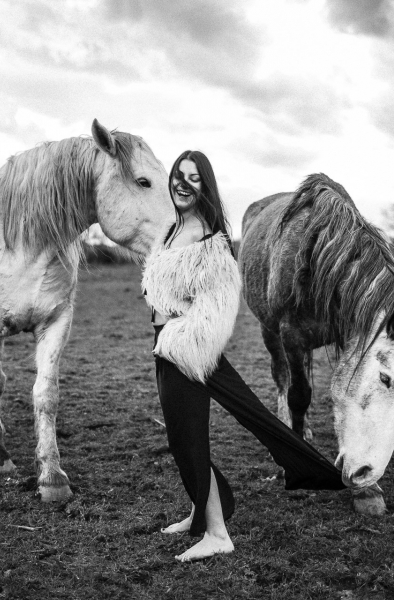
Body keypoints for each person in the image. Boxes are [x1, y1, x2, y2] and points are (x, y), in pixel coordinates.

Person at [142, 150, 345, 562]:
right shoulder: (172, 230)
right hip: (167, 347)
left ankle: (218, 534)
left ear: (206, 187)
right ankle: (200, 514)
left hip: (186, 351)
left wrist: (180, 347)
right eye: (179, 175)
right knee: (181, 441)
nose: (182, 183)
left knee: (191, 442)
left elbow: (216, 316)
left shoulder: (210, 243)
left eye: (194, 178)